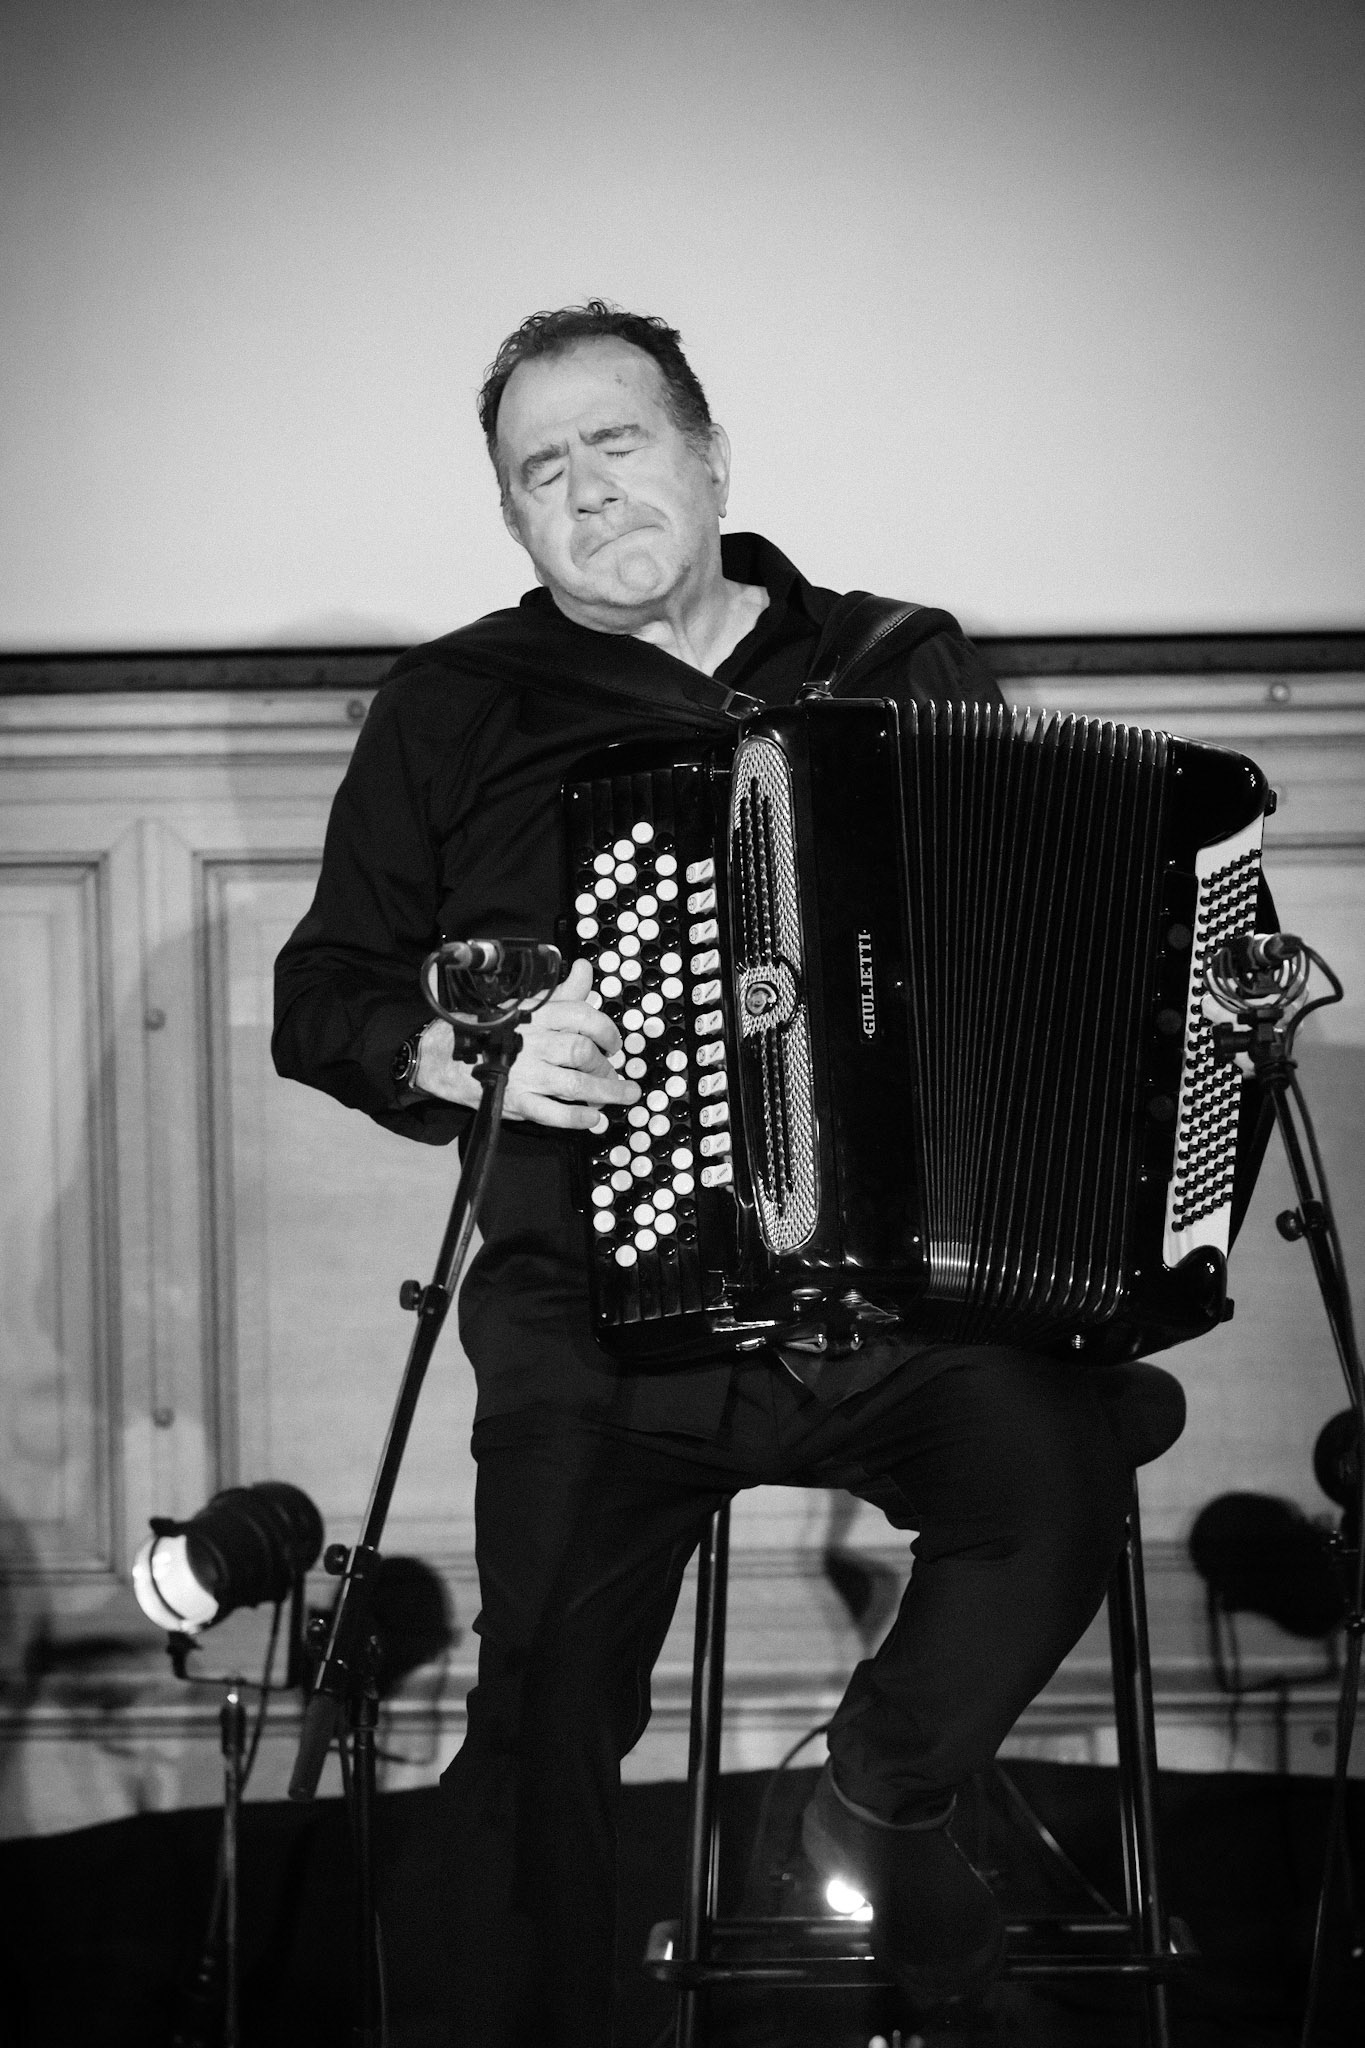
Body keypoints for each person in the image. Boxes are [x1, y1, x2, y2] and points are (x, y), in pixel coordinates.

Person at [274, 303, 1228, 2046]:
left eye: (615, 442)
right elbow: (319, 991)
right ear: (511, 520)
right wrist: (460, 1048)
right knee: (544, 1695)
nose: (584, 490)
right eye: (537, 471)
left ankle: (873, 1792)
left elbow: (1028, 948)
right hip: (596, 1310)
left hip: (901, 1300)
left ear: (710, 458)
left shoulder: (896, 659)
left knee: (1053, 1480)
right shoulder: (455, 707)